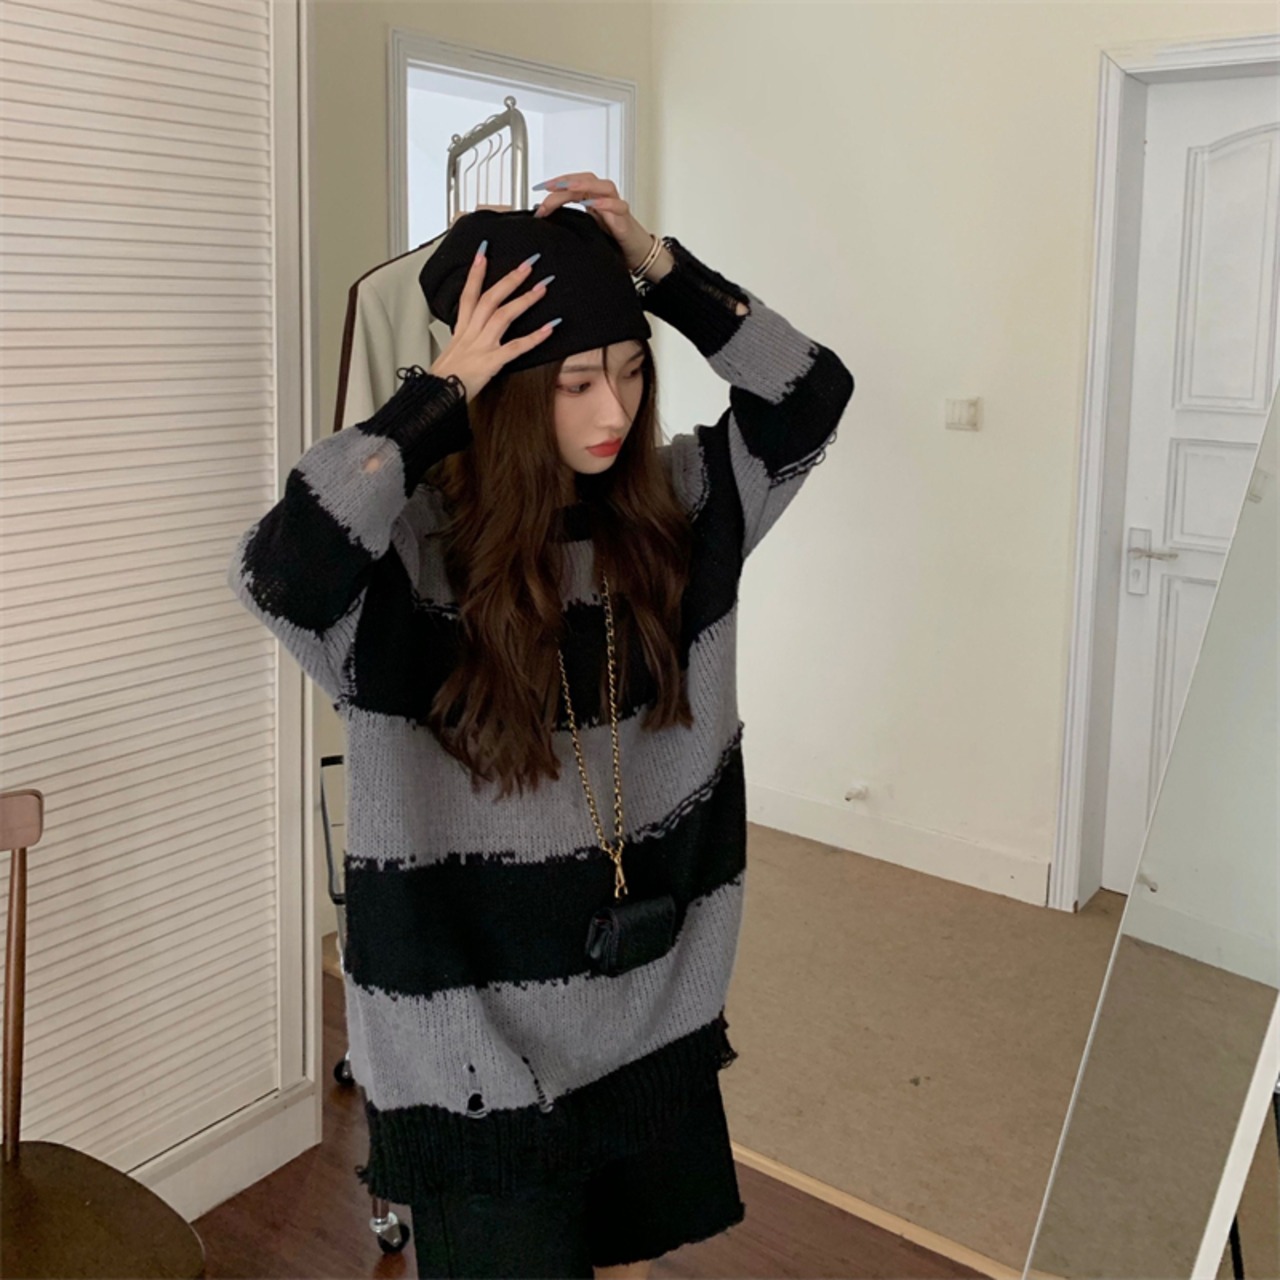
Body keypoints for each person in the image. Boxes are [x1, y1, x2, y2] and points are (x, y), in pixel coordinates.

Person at [227, 172, 855, 1278]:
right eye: (574, 382)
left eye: (629, 372)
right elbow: (278, 570)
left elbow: (808, 393)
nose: (614, 413)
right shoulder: (406, 564)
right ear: (508, 391)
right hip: (468, 1056)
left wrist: (660, 269)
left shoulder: (680, 514)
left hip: (643, 1019)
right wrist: (441, 390)